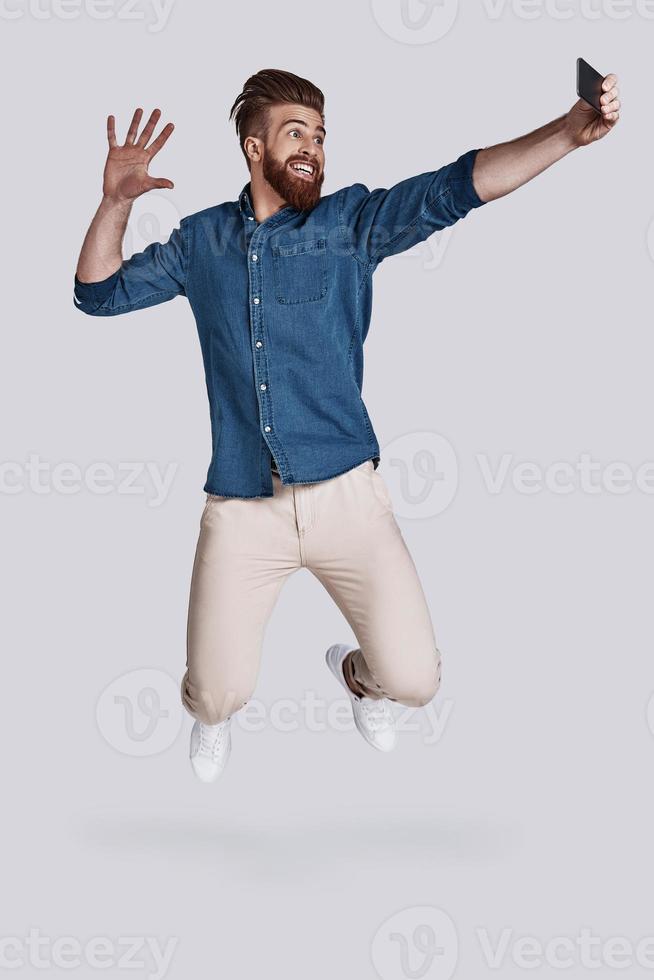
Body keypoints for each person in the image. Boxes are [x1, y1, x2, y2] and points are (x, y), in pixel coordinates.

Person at [74, 68, 620, 782]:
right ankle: (210, 716)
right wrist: (114, 203)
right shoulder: (201, 240)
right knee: (214, 695)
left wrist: (569, 133)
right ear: (252, 146)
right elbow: (97, 295)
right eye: (295, 133)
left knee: (417, 680)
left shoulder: (350, 224)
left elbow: (459, 187)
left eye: (321, 136)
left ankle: (360, 679)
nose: (313, 148)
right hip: (244, 505)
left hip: (347, 501)